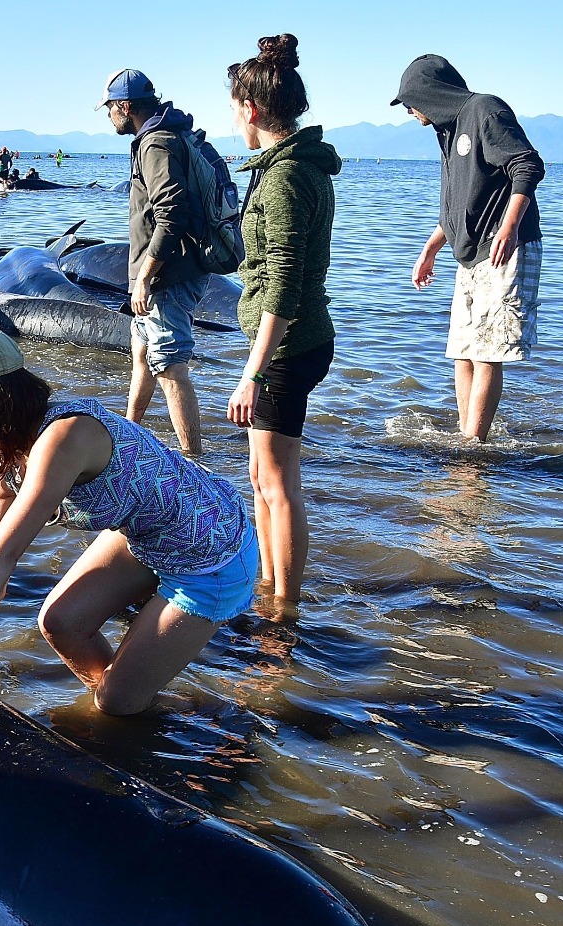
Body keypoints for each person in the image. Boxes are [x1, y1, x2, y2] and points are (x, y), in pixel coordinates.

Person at [0, 328, 256, 716]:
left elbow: (5, 557)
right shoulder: (1, 451)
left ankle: (209, 712)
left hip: (213, 552)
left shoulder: (66, 436)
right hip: (146, 534)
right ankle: (131, 699)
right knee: (61, 623)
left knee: (114, 703)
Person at [225, 34, 340, 609]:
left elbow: (284, 285)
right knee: (261, 476)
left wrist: (253, 373)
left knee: (277, 482)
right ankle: (267, 588)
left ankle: (284, 613)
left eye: (233, 108)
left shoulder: (285, 177)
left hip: (289, 347)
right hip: (292, 342)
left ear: (250, 109)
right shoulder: (291, 168)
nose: (233, 120)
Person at [394, 55, 545, 443]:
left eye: (410, 101)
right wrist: (430, 249)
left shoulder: (485, 110)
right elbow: (461, 204)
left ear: (430, 93)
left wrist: (510, 226)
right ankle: (468, 438)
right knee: (462, 350)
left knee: (486, 352)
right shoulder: (447, 131)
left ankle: (472, 447)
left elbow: (527, 166)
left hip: (506, 247)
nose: (409, 111)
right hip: (470, 253)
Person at [101, 67, 212, 456]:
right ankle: (128, 436)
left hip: (168, 275)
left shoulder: (155, 143)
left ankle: (194, 459)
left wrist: (146, 277)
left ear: (125, 106)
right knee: (143, 354)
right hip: (162, 273)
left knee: (169, 365)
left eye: (110, 108)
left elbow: (172, 214)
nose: (109, 116)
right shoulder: (164, 135)